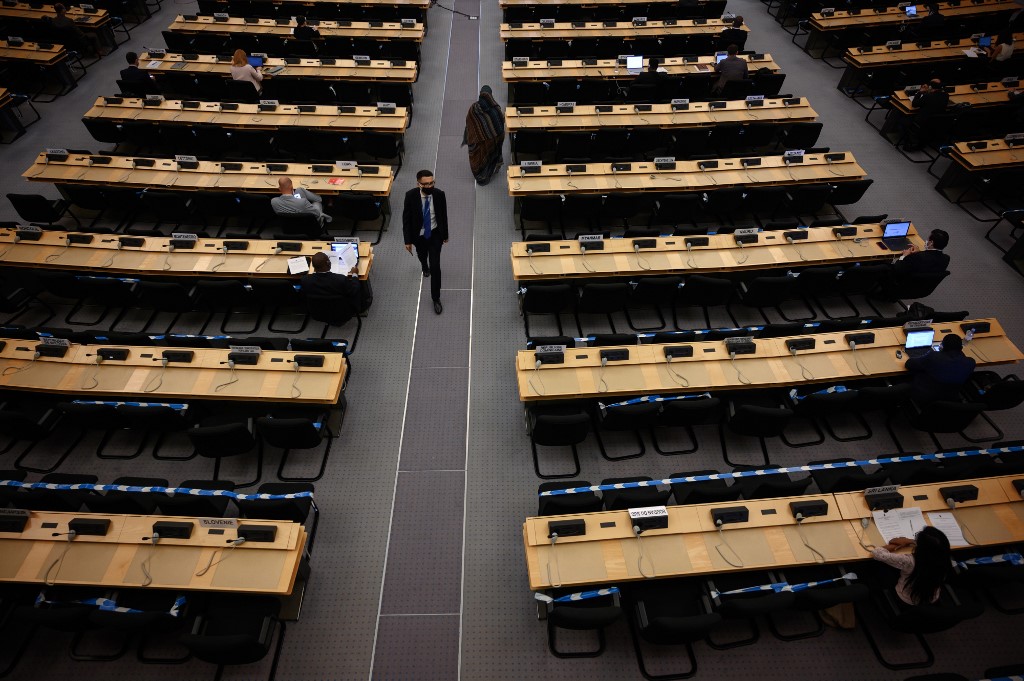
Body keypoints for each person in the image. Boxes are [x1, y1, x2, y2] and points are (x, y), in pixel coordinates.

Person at [403, 170, 449, 314]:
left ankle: (436, 298)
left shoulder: (439, 194)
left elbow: (443, 215)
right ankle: (424, 265)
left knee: (436, 266)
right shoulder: (410, 196)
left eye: (432, 183)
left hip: (435, 235)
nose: (430, 186)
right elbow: (406, 219)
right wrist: (408, 240)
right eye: (426, 184)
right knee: (422, 255)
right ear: (419, 184)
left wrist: (445, 234)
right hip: (419, 236)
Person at [871, 526, 952, 606]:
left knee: (877, 566)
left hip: (906, 598)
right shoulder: (944, 559)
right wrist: (911, 541)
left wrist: (898, 544)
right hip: (931, 597)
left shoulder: (910, 561)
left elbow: (877, 553)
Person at [904, 333, 976, 404]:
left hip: (924, 396)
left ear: (942, 346)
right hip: (950, 397)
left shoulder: (934, 357)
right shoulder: (971, 362)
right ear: (961, 348)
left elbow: (909, 364)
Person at [462, 86, 505, 185]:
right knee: (491, 156)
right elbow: (500, 128)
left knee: (477, 159)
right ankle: (490, 170)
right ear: (491, 95)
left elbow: (469, 123)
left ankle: (480, 176)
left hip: (475, 141)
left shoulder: (473, 108)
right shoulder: (496, 109)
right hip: (492, 142)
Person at [905, 79, 949, 150]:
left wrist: (920, 92)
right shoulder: (946, 95)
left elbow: (914, 104)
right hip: (936, 122)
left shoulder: (928, 96)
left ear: (931, 87)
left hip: (923, 121)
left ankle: (911, 141)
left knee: (905, 120)